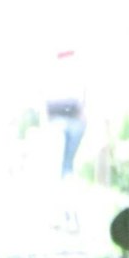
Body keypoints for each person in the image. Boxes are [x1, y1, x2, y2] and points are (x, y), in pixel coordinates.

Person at [45, 49, 86, 179]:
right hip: (57, 118)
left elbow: (82, 101)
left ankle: (66, 173)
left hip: (74, 119)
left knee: (68, 158)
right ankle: (61, 174)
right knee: (57, 154)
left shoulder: (78, 72)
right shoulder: (52, 70)